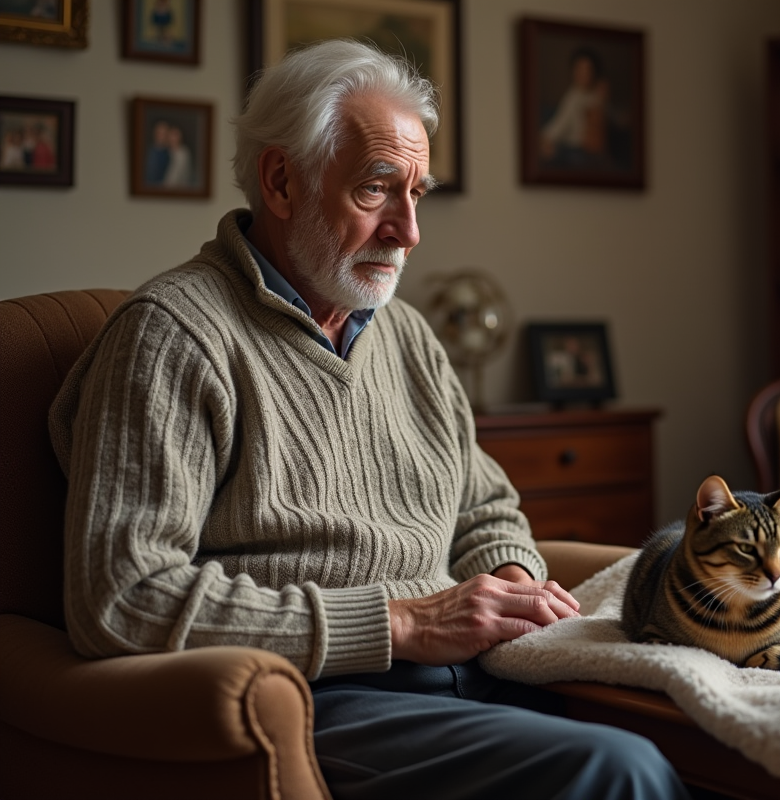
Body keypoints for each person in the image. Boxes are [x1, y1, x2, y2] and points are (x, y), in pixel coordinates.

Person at [48, 39, 689, 800]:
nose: (408, 231)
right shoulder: (173, 336)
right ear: (281, 181)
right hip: (317, 694)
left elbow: (483, 508)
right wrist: (399, 622)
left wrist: (511, 575)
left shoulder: (408, 336)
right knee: (621, 770)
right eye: (378, 189)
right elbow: (122, 596)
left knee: (713, 733)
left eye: (418, 193)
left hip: (473, 672)